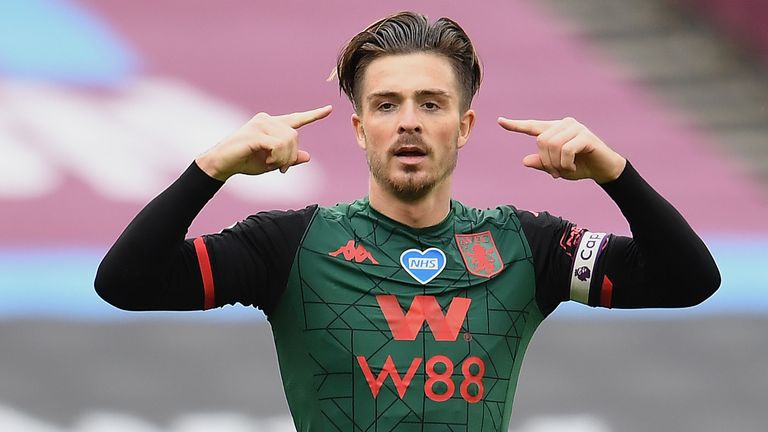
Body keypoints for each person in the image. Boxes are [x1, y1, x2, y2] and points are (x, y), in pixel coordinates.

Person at [95, 11, 720, 432]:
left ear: (466, 126)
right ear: (361, 128)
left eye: (432, 103)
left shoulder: (530, 247)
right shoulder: (287, 246)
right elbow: (126, 284)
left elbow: (687, 281)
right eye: (386, 105)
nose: (409, 122)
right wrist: (210, 168)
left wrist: (617, 175)